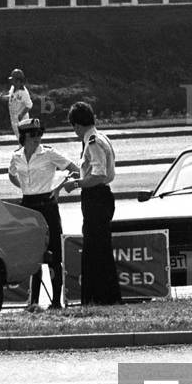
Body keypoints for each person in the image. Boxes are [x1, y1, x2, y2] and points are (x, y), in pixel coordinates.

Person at [8, 117, 77, 311]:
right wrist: (23, 187)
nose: (37, 138)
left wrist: (59, 187)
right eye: (33, 134)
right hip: (28, 204)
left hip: (47, 204)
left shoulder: (48, 153)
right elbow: (12, 174)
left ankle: (56, 301)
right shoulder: (17, 156)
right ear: (24, 136)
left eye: (40, 134)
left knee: (54, 253)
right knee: (33, 253)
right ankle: (34, 301)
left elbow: (74, 170)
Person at [64, 101, 122, 306]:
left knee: (95, 249)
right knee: (99, 248)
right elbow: (94, 170)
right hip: (99, 197)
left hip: (96, 197)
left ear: (77, 125)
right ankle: (104, 296)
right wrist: (79, 174)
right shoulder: (100, 137)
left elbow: (99, 175)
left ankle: (97, 297)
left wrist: (77, 183)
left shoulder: (93, 142)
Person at [4, 68, 33, 136]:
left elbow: (29, 105)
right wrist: (3, 97)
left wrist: (21, 115)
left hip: (21, 120)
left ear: (19, 81)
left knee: (24, 140)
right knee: (19, 139)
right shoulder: (13, 88)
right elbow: (11, 96)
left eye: (13, 80)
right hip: (13, 118)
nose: (12, 82)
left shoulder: (23, 92)